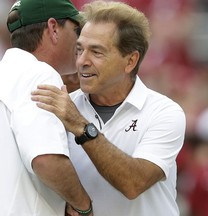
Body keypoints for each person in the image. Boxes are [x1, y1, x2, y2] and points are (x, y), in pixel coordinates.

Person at [31, 1, 186, 215]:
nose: (82, 61)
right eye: (79, 50)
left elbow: (133, 183)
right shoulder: (62, 105)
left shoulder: (165, 112)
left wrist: (80, 126)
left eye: (97, 52)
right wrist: (62, 201)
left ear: (130, 61)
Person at [0, 0, 93, 216]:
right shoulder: (39, 74)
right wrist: (83, 205)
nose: (80, 41)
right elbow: (46, 159)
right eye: (77, 30)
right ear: (54, 29)